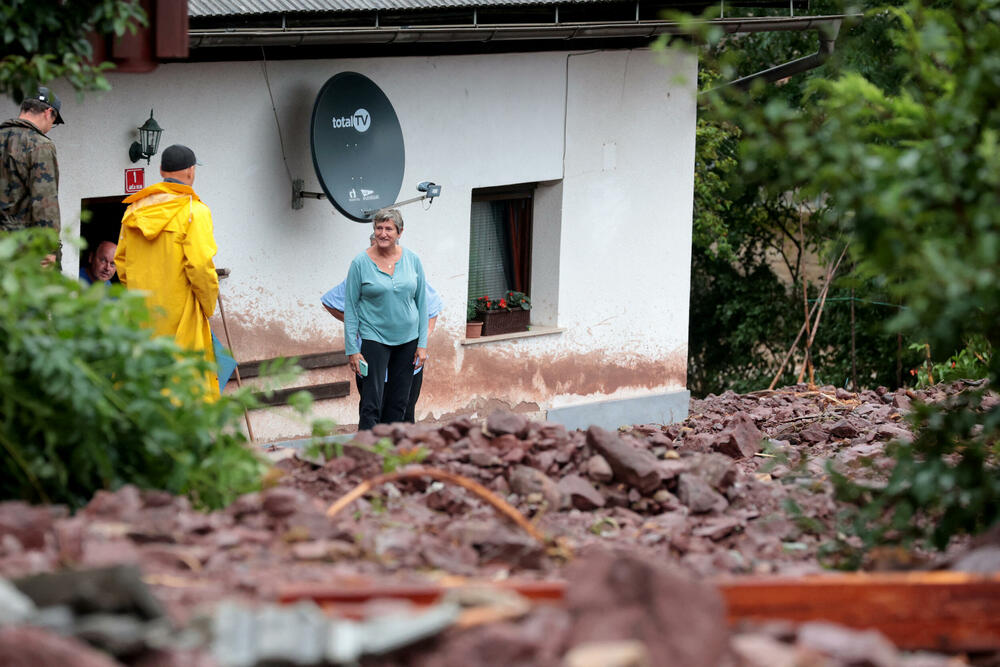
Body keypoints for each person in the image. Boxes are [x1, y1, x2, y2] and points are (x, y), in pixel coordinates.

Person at [115, 144, 220, 396]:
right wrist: (207, 305)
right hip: (180, 314)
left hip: (142, 314)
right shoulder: (195, 211)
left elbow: (122, 264)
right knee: (182, 389)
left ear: (161, 170)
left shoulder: (134, 209)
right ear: (191, 171)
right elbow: (200, 266)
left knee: (144, 383)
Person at [322, 239, 441, 422]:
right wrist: (360, 323)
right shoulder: (361, 269)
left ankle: (399, 449)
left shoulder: (409, 270)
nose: (379, 248)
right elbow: (330, 302)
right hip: (373, 355)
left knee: (404, 411)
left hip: (406, 356)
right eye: (375, 243)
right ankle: (372, 448)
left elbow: (431, 308)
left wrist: (422, 339)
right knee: (371, 408)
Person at [344, 208, 428, 429]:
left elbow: (422, 303)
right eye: (379, 228)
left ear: (399, 232)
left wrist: (422, 344)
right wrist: (352, 349)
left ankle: (391, 452)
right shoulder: (360, 263)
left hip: (408, 340)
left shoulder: (413, 260)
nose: (383, 233)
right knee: (371, 401)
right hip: (374, 339)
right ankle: (367, 453)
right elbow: (350, 308)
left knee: (400, 401)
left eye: (388, 228)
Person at [0, 87, 64, 266]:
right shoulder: (40, 145)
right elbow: (44, 201)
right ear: (48, 112)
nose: (51, 128)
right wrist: (49, 249)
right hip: (23, 248)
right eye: (54, 121)